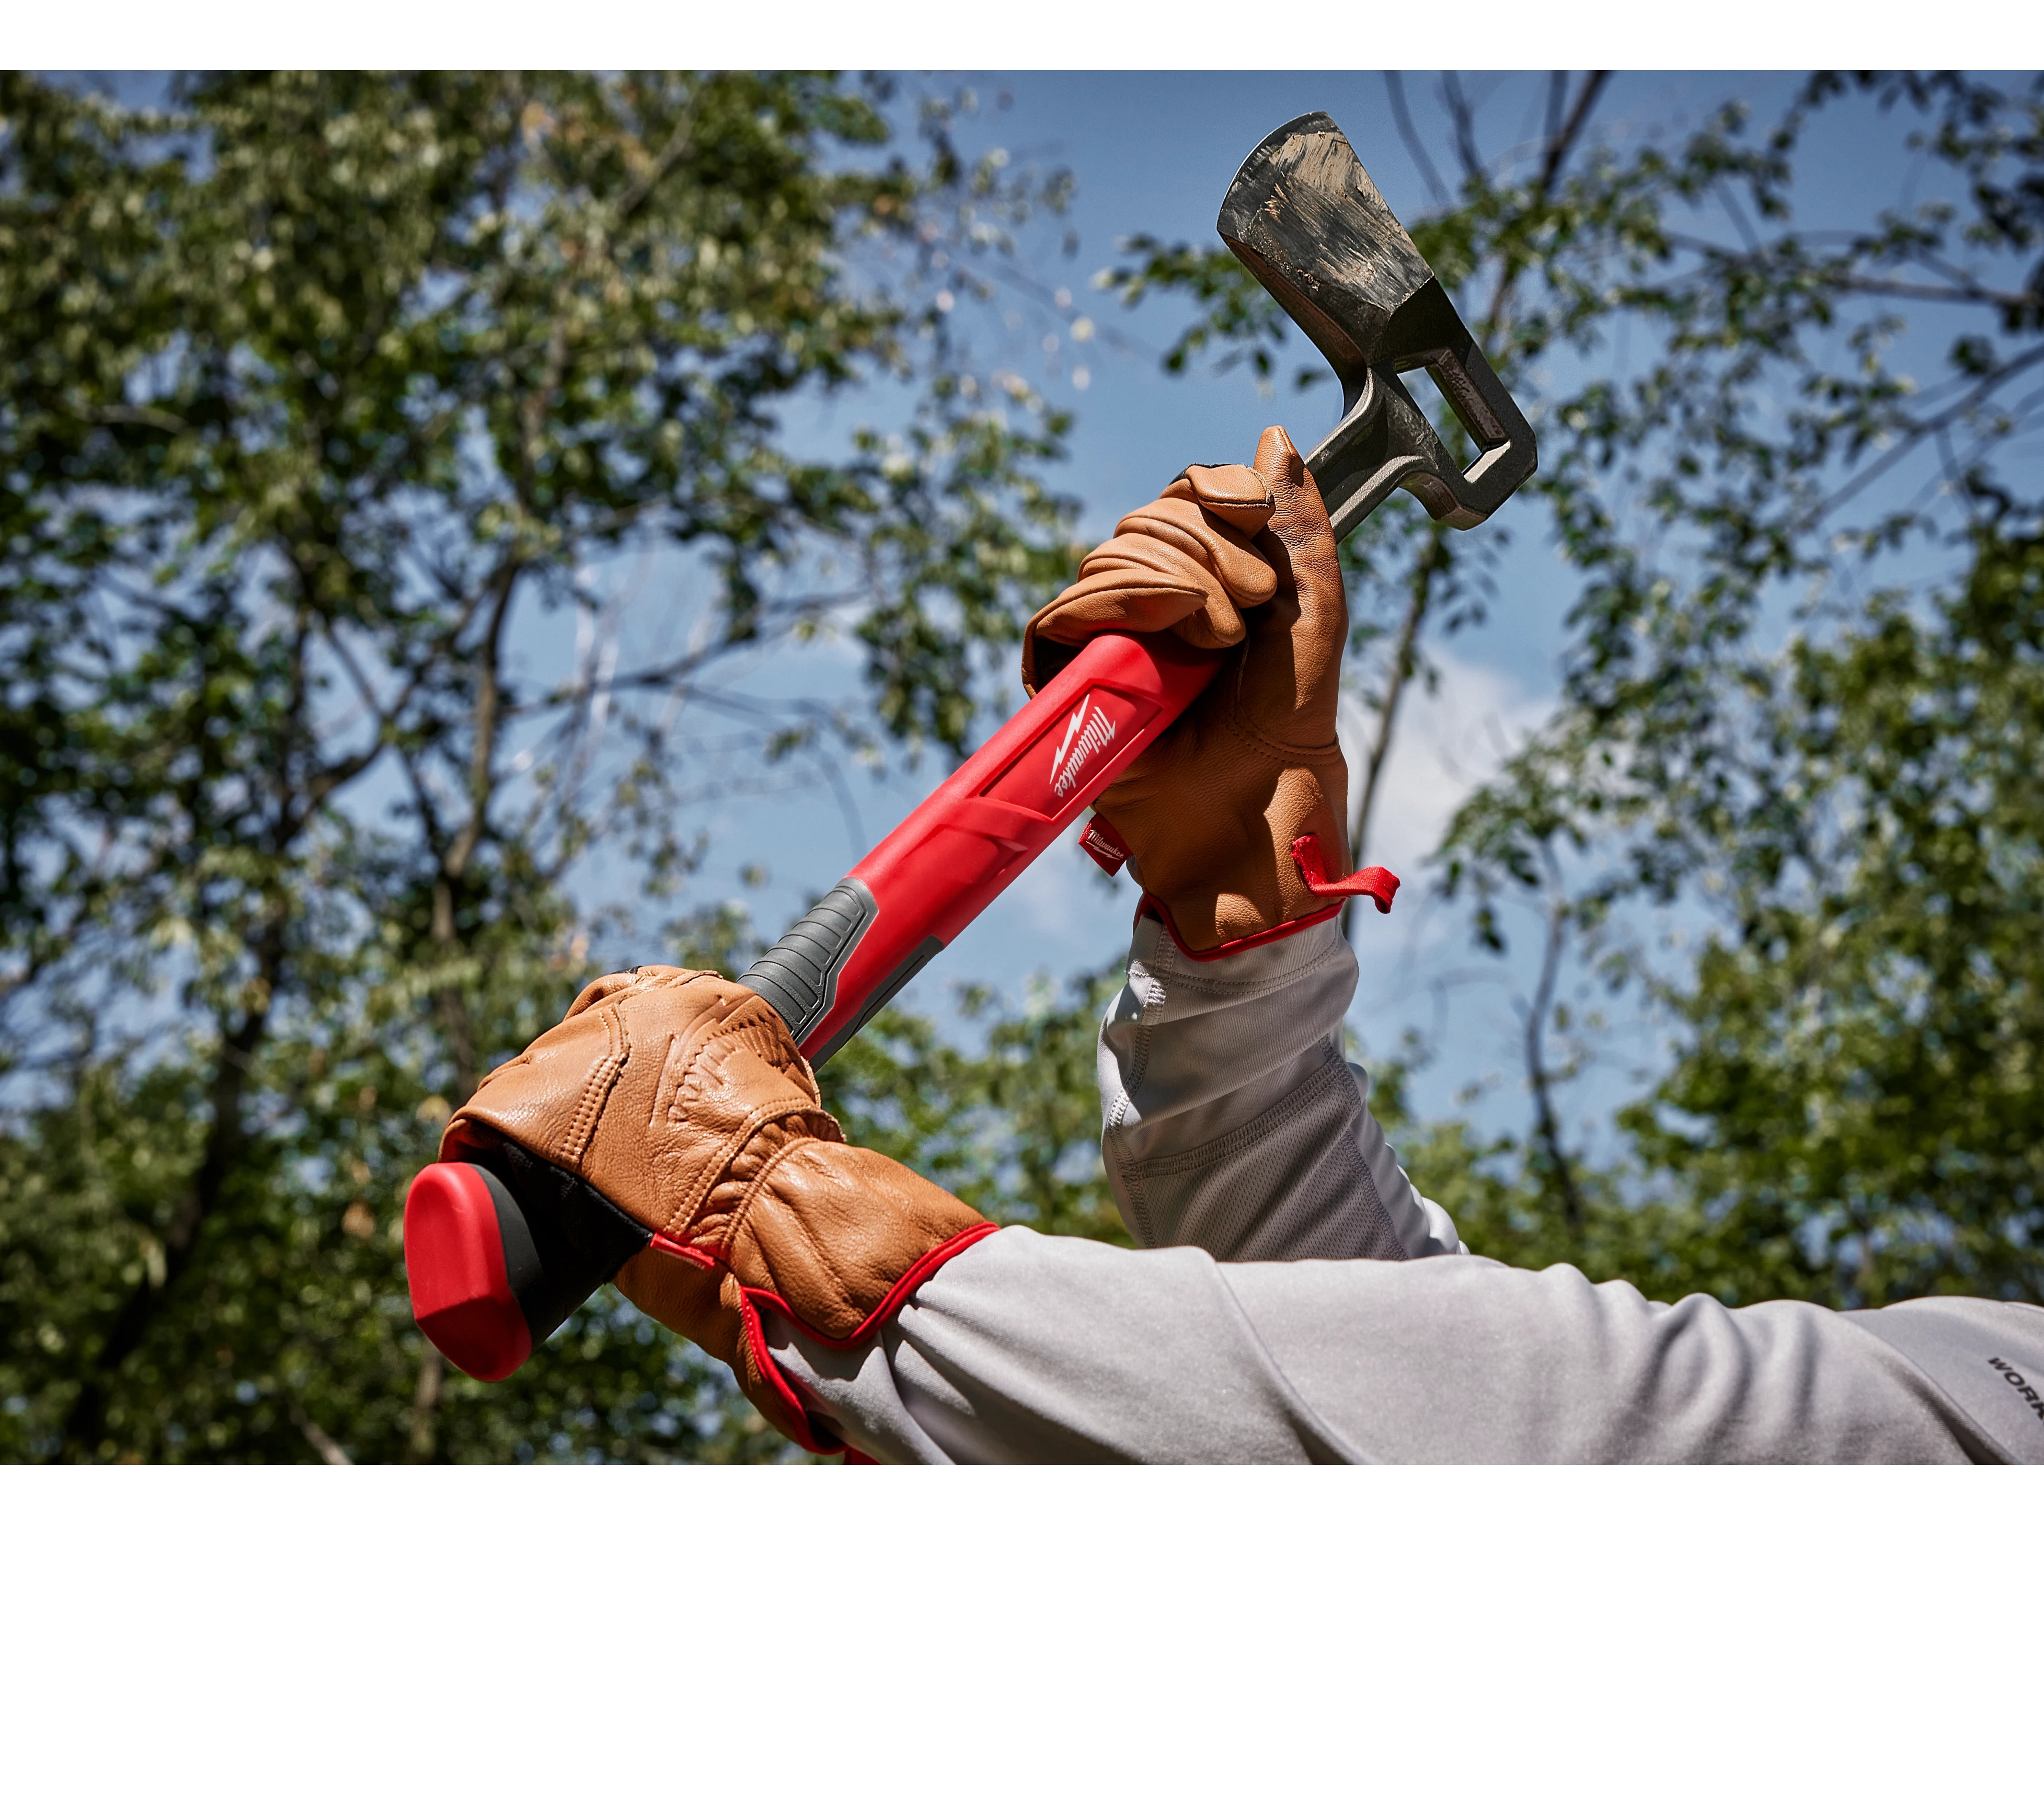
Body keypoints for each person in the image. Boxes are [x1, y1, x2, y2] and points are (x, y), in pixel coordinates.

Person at [442, 430, 2044, 1464]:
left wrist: (788, 1223)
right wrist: (1234, 937)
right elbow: (1408, 1349)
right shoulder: (1985, 1370)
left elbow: (1546, 1432)